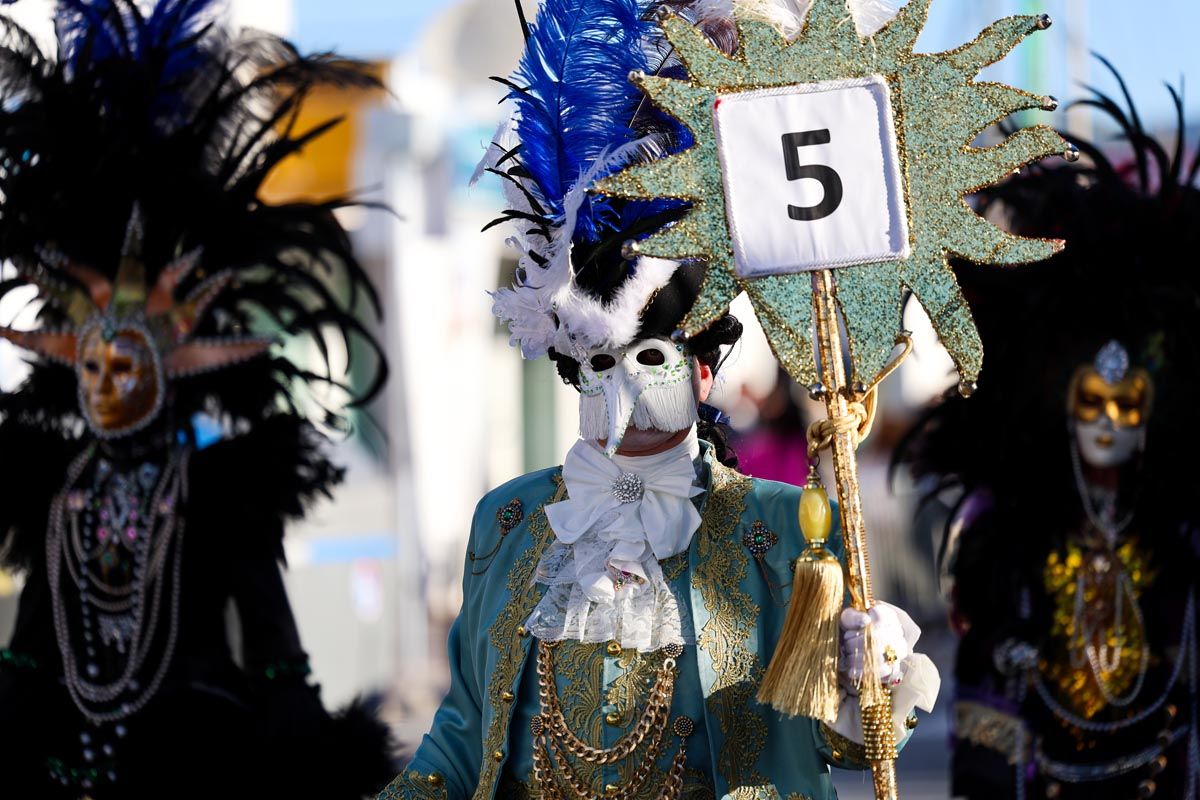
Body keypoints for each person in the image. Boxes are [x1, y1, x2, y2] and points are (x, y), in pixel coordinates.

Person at [378, 2, 938, 798]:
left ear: (703, 370)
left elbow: (843, 745)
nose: (625, 383)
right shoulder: (506, 526)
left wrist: (872, 676)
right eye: (600, 359)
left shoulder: (779, 530)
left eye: (650, 356)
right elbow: (462, 741)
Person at [0, 1, 394, 797]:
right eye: (94, 368)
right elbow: (32, 645)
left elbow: (273, 638)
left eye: (127, 365)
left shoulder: (218, 490)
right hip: (66, 758)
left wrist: (298, 724)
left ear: (172, 368)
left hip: (193, 756)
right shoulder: (57, 487)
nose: (105, 386)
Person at [898, 67, 1200, 800]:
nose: (1107, 422)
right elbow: (989, 683)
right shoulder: (1015, 533)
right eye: (1092, 401)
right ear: (1061, 404)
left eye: (1127, 406)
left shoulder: (1176, 531)